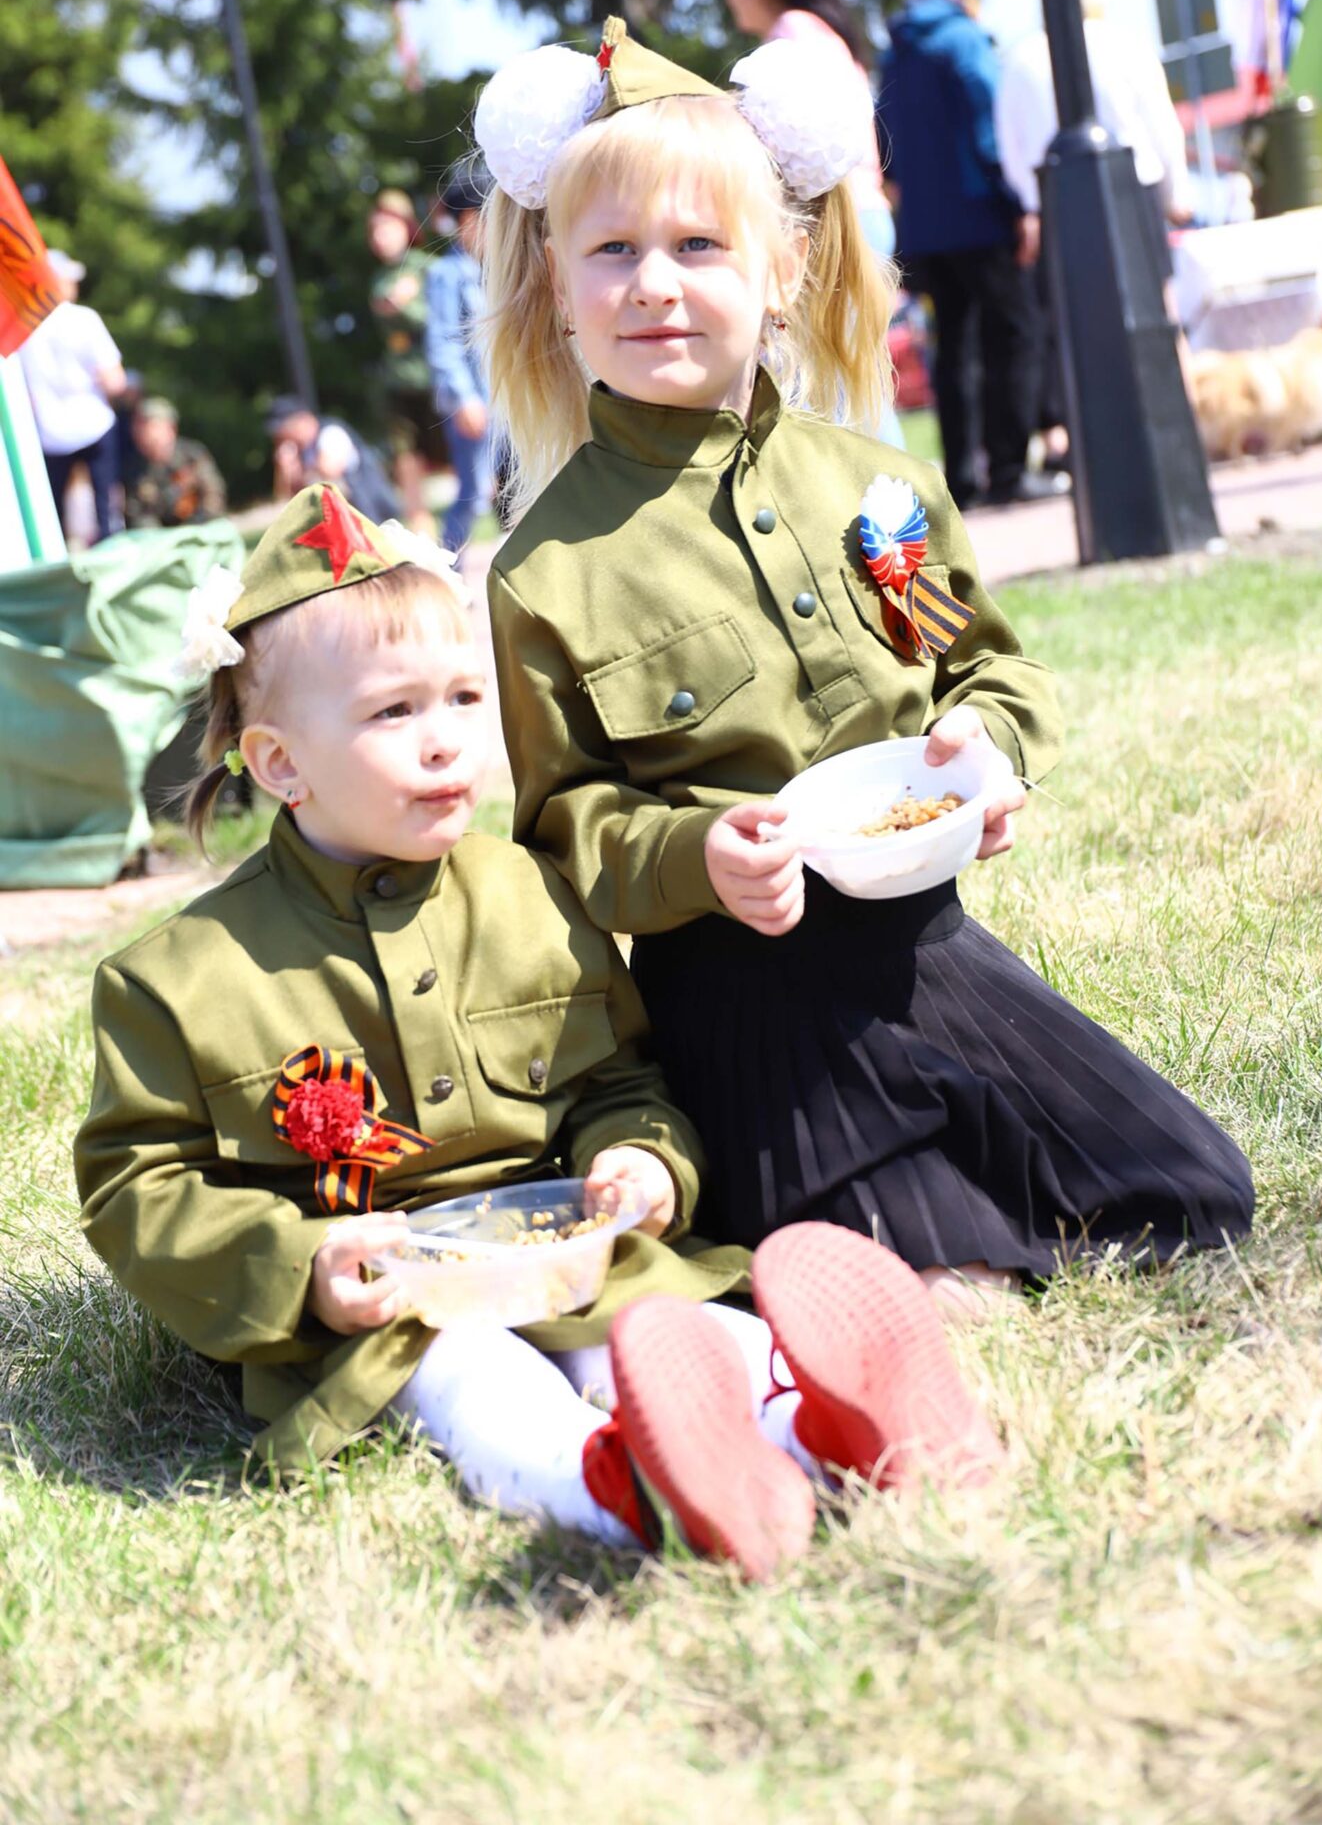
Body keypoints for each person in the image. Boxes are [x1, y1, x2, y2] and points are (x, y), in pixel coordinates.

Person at [74, 483, 1000, 1579]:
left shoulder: (529, 891)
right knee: (478, 1383)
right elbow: (140, 1188)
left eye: (466, 696)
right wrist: (304, 1266)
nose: (446, 742)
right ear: (279, 763)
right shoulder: (178, 979)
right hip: (394, 1306)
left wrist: (641, 1159)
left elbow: (618, 1075)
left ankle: (838, 1428)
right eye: (392, 712)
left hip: (567, 1258)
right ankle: (615, 1489)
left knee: (675, 1332)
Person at [476, 16, 1254, 1315]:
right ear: (557, 289)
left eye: (697, 247)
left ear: (782, 268)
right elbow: (565, 829)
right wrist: (698, 857)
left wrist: (982, 759)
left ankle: (907, 1184)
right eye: (611, 252)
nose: (652, 285)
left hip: (919, 941)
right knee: (943, 1274)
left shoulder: (877, 496)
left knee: (1190, 1191)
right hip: (737, 991)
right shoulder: (544, 572)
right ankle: (847, 1233)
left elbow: (979, 672)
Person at [995, 0, 1193, 479]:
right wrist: (1178, 192)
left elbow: (1010, 146)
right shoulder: (1124, 45)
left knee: (1068, 323)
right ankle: (1181, 417)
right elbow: (1160, 126)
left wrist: (1031, 204)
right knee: (1157, 312)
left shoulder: (1020, 60)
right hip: (1135, 185)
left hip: (1054, 193)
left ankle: (1079, 441)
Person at [875, 0, 1042, 510]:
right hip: (980, 220)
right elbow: (989, 131)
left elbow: (885, 134)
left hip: (923, 228)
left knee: (951, 350)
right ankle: (1009, 471)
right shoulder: (966, 41)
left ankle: (962, 484)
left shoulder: (895, 48)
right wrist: (1019, 202)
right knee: (1012, 337)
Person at [723, 0, 904, 447]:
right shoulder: (826, 32)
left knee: (838, 379)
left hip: (833, 216)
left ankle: (892, 509)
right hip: (865, 211)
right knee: (853, 372)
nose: (731, 3)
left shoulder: (791, 34)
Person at [16, 248, 126, 542]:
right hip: (95, 424)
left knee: (52, 518)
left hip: (49, 434)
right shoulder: (83, 318)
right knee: (107, 513)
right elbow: (114, 380)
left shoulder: (22, 326)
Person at [424, 161, 495, 554]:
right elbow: (443, 343)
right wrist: (464, 397)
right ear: (469, 219)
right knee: (473, 494)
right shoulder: (446, 274)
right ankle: (445, 566)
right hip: (473, 402)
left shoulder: (492, 269)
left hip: (504, 399)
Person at [366, 187, 449, 520]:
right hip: (400, 380)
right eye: (374, 230)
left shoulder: (426, 266)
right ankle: (420, 528)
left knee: (458, 455)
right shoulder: (380, 277)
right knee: (406, 458)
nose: (379, 237)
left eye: (387, 227)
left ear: (406, 227)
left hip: (435, 377)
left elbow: (441, 319)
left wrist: (406, 304)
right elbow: (384, 308)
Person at [266, 396, 398, 524]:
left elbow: (329, 470)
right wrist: (287, 469)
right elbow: (290, 497)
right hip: (342, 522)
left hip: (370, 514)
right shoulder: (302, 451)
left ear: (302, 420)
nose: (281, 437)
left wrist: (301, 466)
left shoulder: (330, 432)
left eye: (284, 430)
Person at [124, 396, 227, 529]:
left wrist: (194, 527)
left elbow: (214, 495)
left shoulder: (192, 456)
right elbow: (136, 514)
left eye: (148, 425)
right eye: (137, 425)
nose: (140, 432)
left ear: (170, 428)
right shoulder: (134, 469)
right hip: (160, 540)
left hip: (200, 527)